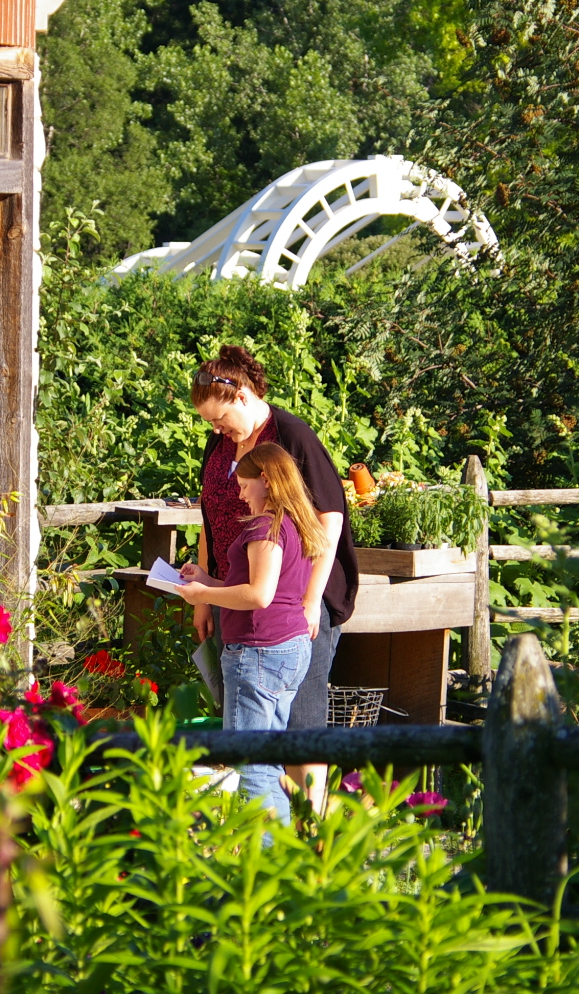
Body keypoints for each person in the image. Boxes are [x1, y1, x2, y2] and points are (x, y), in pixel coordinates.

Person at [189, 345, 359, 812]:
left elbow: (329, 519)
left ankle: (312, 825)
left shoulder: (291, 435)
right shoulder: (220, 445)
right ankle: (275, 818)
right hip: (238, 593)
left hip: (292, 598)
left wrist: (310, 600)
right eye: (210, 424)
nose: (216, 430)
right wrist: (205, 594)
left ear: (243, 396)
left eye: (220, 419)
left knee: (301, 718)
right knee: (250, 712)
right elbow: (210, 518)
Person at [177, 442, 328, 822]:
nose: (241, 494)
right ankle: (279, 845)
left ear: (266, 480)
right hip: (288, 646)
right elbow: (258, 587)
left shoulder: (265, 526)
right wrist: (206, 579)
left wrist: (203, 595)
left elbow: (259, 595)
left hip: (259, 651)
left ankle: (264, 850)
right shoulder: (294, 523)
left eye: (245, 486)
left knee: (250, 765)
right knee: (268, 760)